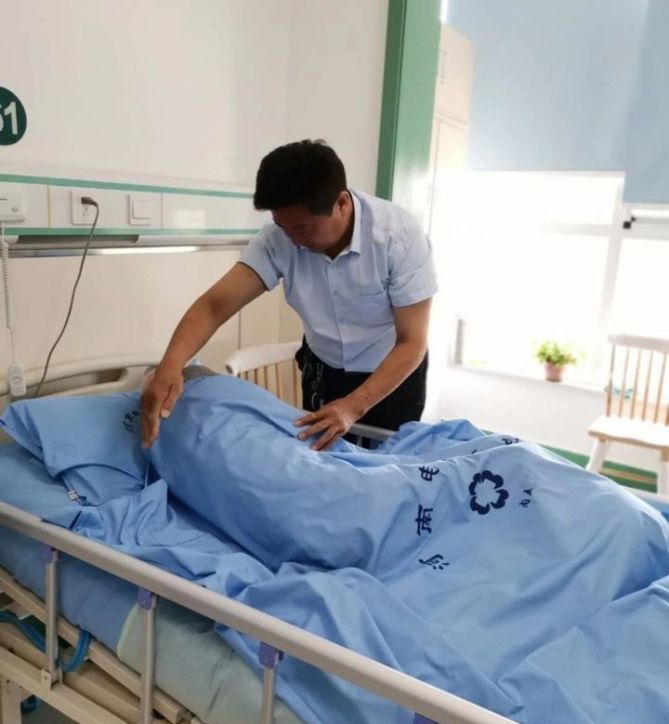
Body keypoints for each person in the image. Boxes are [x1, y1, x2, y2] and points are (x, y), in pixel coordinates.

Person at [141, 139, 437, 451]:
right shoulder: (278, 239)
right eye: (282, 226)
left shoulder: (398, 239)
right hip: (323, 368)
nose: (293, 239)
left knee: (388, 464)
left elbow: (412, 342)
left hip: (392, 372)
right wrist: (170, 366)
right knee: (320, 460)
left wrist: (352, 407)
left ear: (341, 203)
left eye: (302, 228)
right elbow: (214, 306)